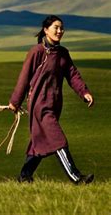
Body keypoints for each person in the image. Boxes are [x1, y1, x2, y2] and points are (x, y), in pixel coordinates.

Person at [8, 15, 94, 184]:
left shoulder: (63, 54)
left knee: (38, 142)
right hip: (40, 106)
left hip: (54, 105)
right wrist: (15, 101)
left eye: (62, 28)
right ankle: (76, 177)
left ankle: (24, 176)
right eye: (56, 27)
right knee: (58, 139)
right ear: (46, 30)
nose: (60, 31)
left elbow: (73, 75)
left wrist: (84, 92)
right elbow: (24, 78)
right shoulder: (36, 52)